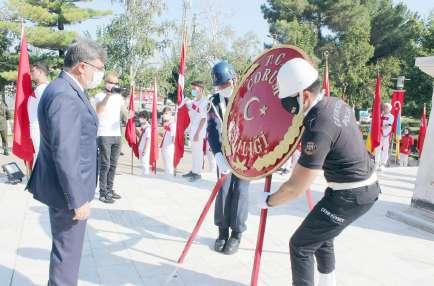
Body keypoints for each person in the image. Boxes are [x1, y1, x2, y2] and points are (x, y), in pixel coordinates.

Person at [256, 58, 380, 286]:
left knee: (300, 245)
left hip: (351, 196)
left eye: (287, 101)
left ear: (304, 96)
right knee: (322, 236)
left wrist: (270, 201)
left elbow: (296, 187)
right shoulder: (336, 103)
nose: (286, 107)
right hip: (358, 188)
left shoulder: (317, 127)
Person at [26, 39, 106, 286]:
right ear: (82, 66)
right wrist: (77, 199)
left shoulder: (65, 89)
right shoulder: (64, 95)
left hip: (65, 188)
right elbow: (65, 151)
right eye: (98, 68)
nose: (99, 75)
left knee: (65, 254)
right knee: (66, 259)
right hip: (67, 193)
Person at [207, 61, 250, 255]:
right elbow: (212, 129)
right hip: (224, 153)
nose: (222, 88)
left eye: (225, 84)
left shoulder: (247, 96)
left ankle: (237, 234)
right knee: (223, 190)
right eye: (219, 86)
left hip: (247, 153)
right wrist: (217, 153)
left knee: (241, 190)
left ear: (234, 79)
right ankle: (222, 231)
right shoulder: (214, 102)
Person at [94, 72, 128, 204]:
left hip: (116, 134)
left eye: (115, 83)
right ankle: (103, 192)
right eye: (111, 82)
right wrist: (108, 96)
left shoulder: (119, 98)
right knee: (105, 164)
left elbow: (125, 112)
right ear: (105, 82)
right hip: (104, 134)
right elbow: (99, 110)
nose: (113, 85)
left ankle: (109, 189)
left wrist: (128, 114)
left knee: (113, 164)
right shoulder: (99, 96)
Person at [183, 81, 208, 182]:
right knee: (194, 152)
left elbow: (203, 118)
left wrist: (198, 132)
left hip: (199, 131)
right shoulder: (193, 102)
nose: (193, 90)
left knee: (198, 152)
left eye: (195, 88)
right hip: (193, 129)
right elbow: (191, 116)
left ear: (201, 89)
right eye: (192, 88)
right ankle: (193, 170)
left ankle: (198, 173)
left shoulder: (204, 101)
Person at [29, 62, 50, 157]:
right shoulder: (40, 88)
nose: (30, 73)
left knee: (41, 159)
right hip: (37, 129)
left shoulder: (44, 89)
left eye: (33, 71)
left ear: (40, 72)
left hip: (40, 130)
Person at [376, 102, 394, 170]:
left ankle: (383, 164)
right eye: (384, 107)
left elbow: (388, 125)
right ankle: (377, 163)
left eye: (387, 107)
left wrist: (382, 127)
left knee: (385, 149)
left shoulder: (391, 116)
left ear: (389, 109)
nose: (385, 108)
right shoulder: (381, 115)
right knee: (378, 148)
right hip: (379, 134)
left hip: (386, 135)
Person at [161, 106, 175, 176]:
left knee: (169, 163)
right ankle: (166, 175)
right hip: (164, 146)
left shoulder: (172, 124)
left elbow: (174, 137)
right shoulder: (166, 124)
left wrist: (171, 146)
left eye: (166, 113)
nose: (164, 115)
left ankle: (170, 175)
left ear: (170, 114)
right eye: (164, 113)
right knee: (165, 163)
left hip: (169, 147)